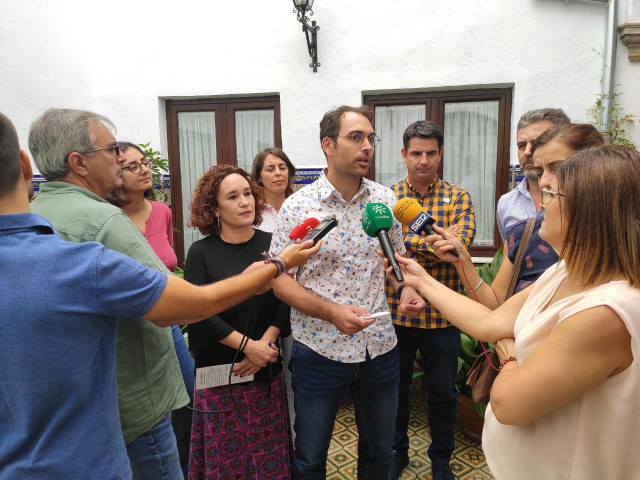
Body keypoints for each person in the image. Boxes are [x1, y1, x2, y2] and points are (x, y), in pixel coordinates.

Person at [0, 111, 320, 479]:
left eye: (247, 193)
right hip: (126, 412)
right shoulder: (105, 224)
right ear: (30, 165)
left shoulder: (44, 218)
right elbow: (185, 306)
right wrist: (275, 269)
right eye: (113, 149)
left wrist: (266, 337)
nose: (120, 157)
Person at [386, 144, 640, 480]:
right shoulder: (565, 271)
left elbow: (508, 405)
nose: (539, 202)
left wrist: (508, 355)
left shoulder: (605, 311)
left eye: (550, 193)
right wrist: (422, 280)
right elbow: (490, 322)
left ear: (588, 212)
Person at [269, 105, 426, 480]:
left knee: (379, 455)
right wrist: (332, 313)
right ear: (328, 144)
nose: (367, 146)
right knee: (309, 457)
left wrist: (404, 291)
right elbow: (279, 280)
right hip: (319, 348)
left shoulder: (384, 202)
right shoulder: (298, 207)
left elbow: (396, 266)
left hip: (381, 348)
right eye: (356, 137)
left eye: (371, 138)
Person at [183, 165, 294, 479]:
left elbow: (284, 301)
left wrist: (265, 346)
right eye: (232, 197)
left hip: (264, 373)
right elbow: (200, 314)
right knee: (226, 464)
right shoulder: (200, 252)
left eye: (247, 193)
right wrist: (249, 347)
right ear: (214, 208)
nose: (245, 201)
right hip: (219, 375)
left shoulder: (272, 244)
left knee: (266, 461)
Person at [385, 121, 475, 480]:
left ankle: (441, 458)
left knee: (442, 394)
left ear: (441, 154)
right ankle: (397, 452)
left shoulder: (460, 196)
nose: (424, 160)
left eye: (431, 153)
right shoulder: (387, 198)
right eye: (416, 153)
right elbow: (381, 248)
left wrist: (406, 241)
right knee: (398, 392)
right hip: (398, 314)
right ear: (404, 155)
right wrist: (431, 242)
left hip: (443, 317)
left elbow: (456, 248)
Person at [429, 124, 604, 308]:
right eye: (521, 145)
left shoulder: (616, 263)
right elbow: (495, 310)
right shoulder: (522, 229)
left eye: (557, 168)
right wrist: (462, 260)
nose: (528, 152)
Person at [108, 141, 194, 477]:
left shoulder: (161, 211)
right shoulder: (109, 218)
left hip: (167, 322)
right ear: (116, 174)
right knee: (144, 411)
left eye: (144, 163)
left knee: (188, 393)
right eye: (133, 166)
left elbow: (167, 266)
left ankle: (185, 464)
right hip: (129, 328)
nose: (144, 169)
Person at [250, 147, 299, 435]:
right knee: (265, 374)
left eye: (282, 166)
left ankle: (293, 438)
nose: (278, 173)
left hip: (296, 302)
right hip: (263, 302)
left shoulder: (303, 205)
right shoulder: (252, 213)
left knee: (295, 374)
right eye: (270, 168)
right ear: (258, 176)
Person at [496, 108, 570, 241]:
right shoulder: (506, 203)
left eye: (538, 143)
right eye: (522, 145)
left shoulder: (581, 199)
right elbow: (511, 257)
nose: (527, 152)